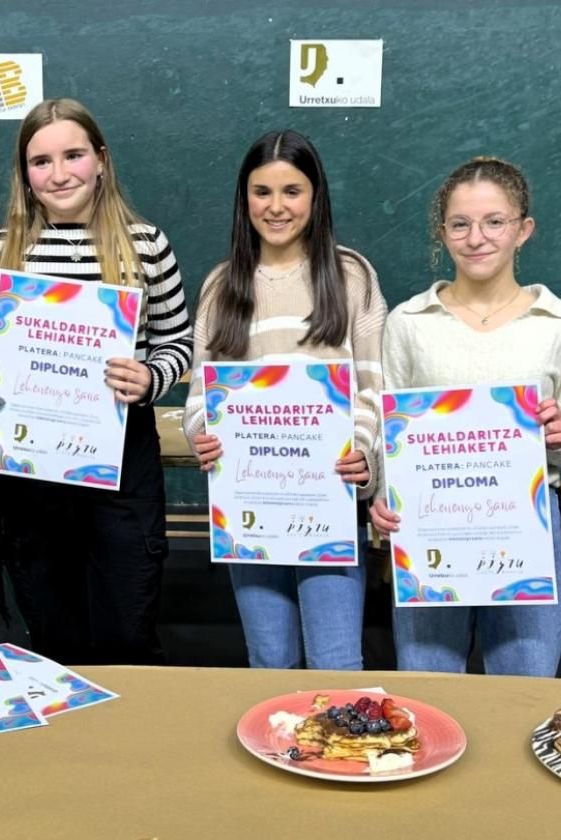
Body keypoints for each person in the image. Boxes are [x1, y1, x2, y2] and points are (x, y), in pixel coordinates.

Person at [370, 156, 561, 676]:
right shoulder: (409, 322)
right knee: (428, 686)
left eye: (494, 222)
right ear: (442, 232)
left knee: (523, 686)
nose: (477, 238)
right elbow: (390, 425)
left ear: (523, 230)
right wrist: (383, 492)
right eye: (460, 224)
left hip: (526, 530)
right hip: (427, 530)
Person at [0, 99, 192, 665]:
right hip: (29, 467)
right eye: (41, 161)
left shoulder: (146, 245)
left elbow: (181, 344)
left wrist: (149, 377)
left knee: (127, 631)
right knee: (53, 637)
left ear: (101, 160)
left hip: (122, 460)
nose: (58, 174)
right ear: (25, 174)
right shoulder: (2, 250)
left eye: (73, 155)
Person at [183, 130, 387, 670]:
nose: (276, 207)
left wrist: (362, 453)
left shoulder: (351, 276)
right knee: (268, 662)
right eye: (261, 192)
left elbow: (373, 385)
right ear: (243, 198)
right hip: (251, 510)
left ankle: (337, 756)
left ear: (316, 196)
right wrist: (202, 435)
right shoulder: (220, 286)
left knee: (337, 662)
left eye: (292, 191)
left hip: (330, 506)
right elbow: (200, 395)